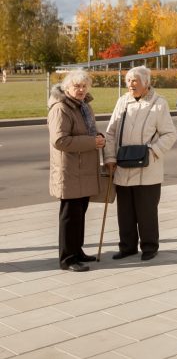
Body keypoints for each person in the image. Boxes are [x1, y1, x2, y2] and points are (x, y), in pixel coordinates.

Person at [103, 66, 177, 261]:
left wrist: (153, 151)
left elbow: (170, 134)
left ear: (146, 83)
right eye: (128, 81)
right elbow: (110, 133)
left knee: (146, 211)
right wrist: (109, 157)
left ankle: (149, 246)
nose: (131, 85)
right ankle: (127, 246)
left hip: (148, 168)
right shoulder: (122, 102)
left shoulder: (159, 104)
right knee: (125, 212)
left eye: (135, 81)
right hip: (122, 166)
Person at [47, 70, 107, 272]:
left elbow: (86, 132)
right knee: (70, 216)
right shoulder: (61, 108)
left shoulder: (84, 106)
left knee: (80, 213)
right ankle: (68, 258)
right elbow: (60, 140)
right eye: (76, 86)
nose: (81, 90)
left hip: (83, 169)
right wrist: (92, 142)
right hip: (70, 170)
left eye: (84, 86)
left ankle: (77, 251)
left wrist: (97, 137)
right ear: (67, 88)